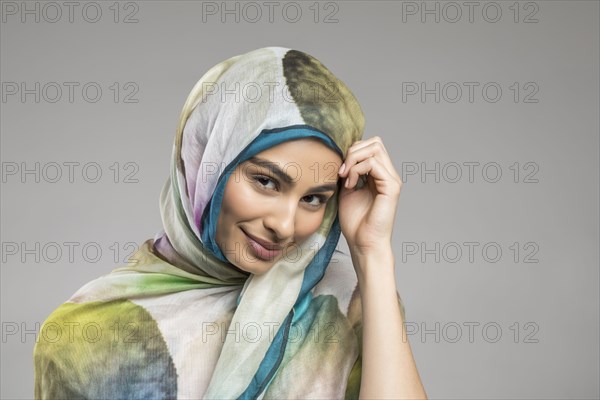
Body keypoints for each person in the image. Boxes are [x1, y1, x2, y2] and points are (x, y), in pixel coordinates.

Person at [33, 47, 427, 399]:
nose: (285, 225)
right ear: (208, 166)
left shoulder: (348, 304)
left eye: (313, 199)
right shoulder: (84, 335)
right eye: (266, 181)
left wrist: (372, 253)